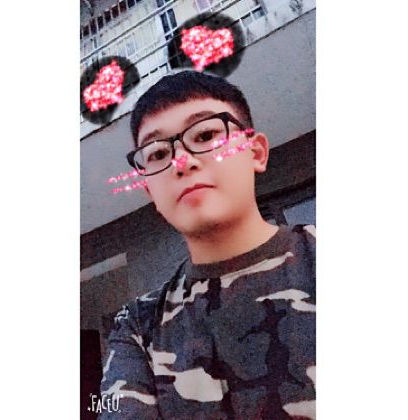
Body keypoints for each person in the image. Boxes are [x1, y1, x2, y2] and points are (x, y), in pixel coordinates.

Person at [99, 71, 315, 419]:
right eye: (157, 153)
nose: (181, 162)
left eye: (205, 135)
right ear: (149, 191)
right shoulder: (137, 326)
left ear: (256, 152)